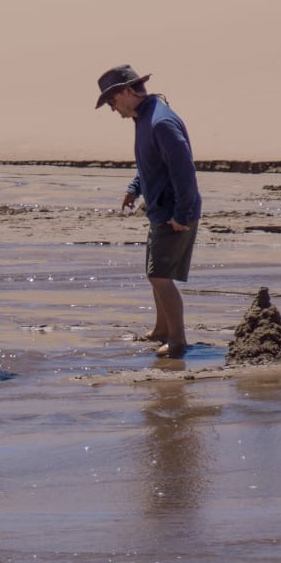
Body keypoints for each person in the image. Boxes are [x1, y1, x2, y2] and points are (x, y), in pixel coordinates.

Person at [95, 64, 202, 359]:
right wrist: (135, 186)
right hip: (159, 209)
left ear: (128, 92)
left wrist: (182, 214)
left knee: (160, 277)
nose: (112, 109)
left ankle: (178, 340)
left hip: (174, 212)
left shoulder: (160, 122)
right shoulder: (144, 117)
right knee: (155, 272)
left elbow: (184, 172)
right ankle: (160, 329)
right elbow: (151, 162)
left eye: (112, 102)